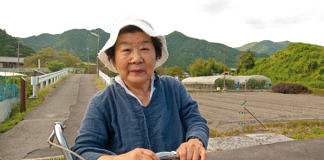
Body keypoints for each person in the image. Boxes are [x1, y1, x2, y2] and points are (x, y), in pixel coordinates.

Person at [71, 18, 209, 160]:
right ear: (113, 60)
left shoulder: (174, 88)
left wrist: (195, 141)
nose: (136, 59)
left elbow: (196, 121)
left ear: (156, 55)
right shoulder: (102, 102)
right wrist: (119, 159)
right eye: (126, 50)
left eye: (144, 49)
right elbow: (82, 150)